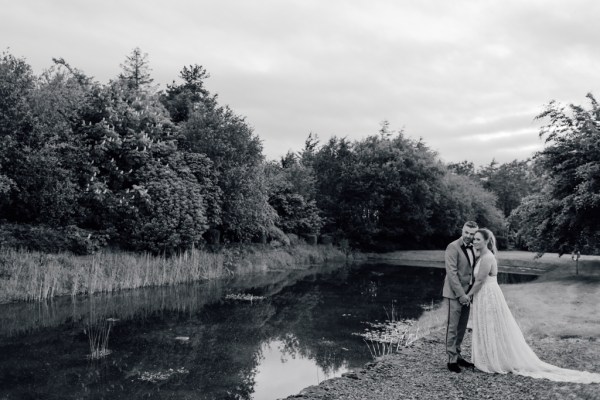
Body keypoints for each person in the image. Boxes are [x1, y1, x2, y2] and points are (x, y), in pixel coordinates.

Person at [467, 228, 600, 383]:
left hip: (488, 295)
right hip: (483, 294)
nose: (474, 241)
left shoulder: (487, 257)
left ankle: (494, 360)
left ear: (485, 241)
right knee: (487, 324)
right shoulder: (481, 256)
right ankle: (489, 357)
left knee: (491, 325)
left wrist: (467, 295)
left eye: (477, 239)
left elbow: (480, 280)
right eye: (474, 239)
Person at [442, 221, 478, 373]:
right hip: (455, 294)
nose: (469, 236)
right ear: (462, 230)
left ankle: (458, 354)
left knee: (462, 326)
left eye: (472, 234)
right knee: (453, 327)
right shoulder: (452, 247)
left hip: (468, 294)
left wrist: (470, 294)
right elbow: (452, 273)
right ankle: (451, 360)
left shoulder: (476, 247)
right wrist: (461, 295)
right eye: (466, 232)